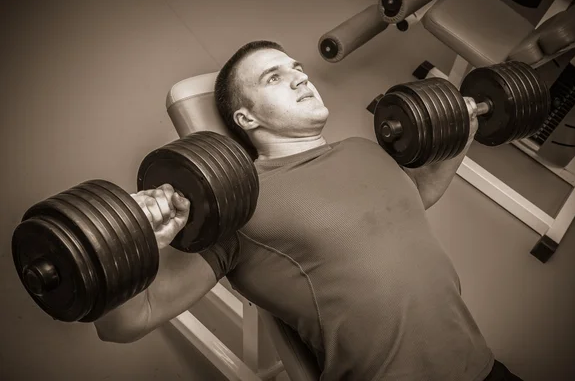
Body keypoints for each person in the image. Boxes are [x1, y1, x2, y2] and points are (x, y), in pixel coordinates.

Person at [94, 41, 523, 381]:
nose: (300, 78)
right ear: (244, 117)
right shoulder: (239, 205)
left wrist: (462, 136)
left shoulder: (362, 149)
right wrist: (135, 239)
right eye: (274, 77)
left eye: (297, 68)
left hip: (483, 365)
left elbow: (414, 196)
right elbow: (130, 320)